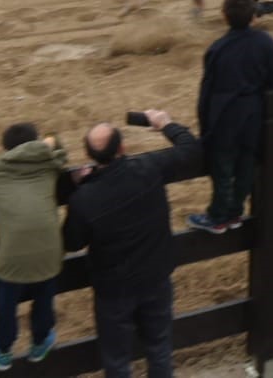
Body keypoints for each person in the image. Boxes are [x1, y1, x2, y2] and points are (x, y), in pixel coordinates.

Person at [62, 109, 202, 378]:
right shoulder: (148, 168)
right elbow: (191, 151)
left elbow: (72, 243)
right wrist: (165, 124)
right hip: (155, 276)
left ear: (90, 156)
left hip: (114, 288)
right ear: (123, 147)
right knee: (159, 348)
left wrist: (81, 187)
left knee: (116, 360)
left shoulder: (84, 198)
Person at [189, 0, 273, 234]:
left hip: (223, 115)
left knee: (222, 167)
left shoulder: (217, 49)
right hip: (252, 114)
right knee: (247, 163)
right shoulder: (264, 42)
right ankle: (235, 211)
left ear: (224, 17)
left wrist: (204, 121)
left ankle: (217, 216)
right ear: (254, 16)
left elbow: (207, 89)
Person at [0, 123, 69, 371]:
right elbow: (61, 151)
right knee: (44, 294)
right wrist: (49, 140)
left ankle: (3, 348)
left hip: (13, 252)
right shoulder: (49, 164)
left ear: (6, 149)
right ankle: (40, 341)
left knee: (7, 298)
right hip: (49, 249)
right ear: (37, 143)